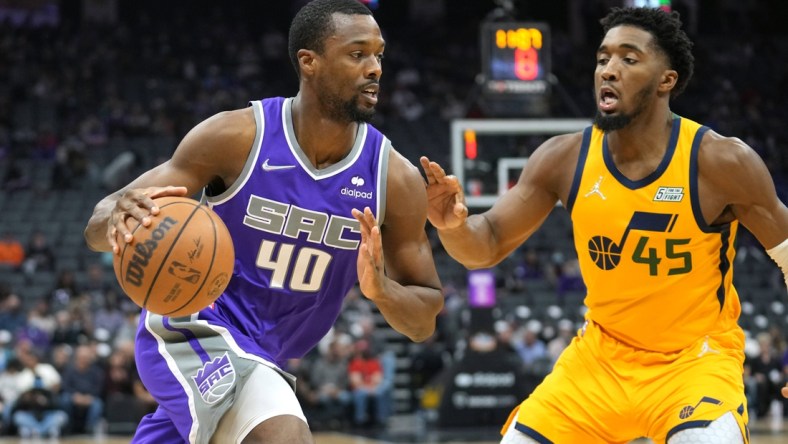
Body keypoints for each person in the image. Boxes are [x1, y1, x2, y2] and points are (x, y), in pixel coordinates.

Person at [421, 7, 787, 443]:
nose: (608, 70)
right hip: (599, 361)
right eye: (602, 58)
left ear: (666, 80)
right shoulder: (563, 158)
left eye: (628, 59)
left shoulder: (721, 161)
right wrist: (453, 227)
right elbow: (487, 245)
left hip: (693, 363)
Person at [83, 1, 443, 443]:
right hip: (193, 325)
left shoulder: (395, 179)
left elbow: (423, 320)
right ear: (309, 62)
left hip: (267, 354)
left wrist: (382, 291)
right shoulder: (236, 138)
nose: (375, 69)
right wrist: (119, 214)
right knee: (281, 435)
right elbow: (98, 227)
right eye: (357, 54)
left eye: (379, 56)